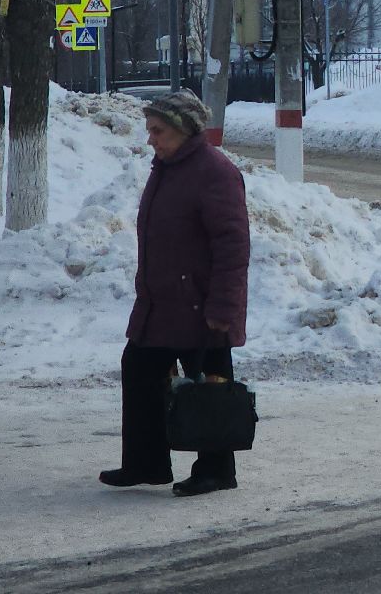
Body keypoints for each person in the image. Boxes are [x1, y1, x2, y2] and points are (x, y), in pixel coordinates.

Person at [99, 90, 250, 498]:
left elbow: (232, 245)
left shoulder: (214, 172)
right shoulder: (167, 167)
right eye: (150, 130)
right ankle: (146, 463)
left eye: (158, 131)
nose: (151, 139)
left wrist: (222, 307)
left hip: (201, 306)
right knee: (139, 370)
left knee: (210, 386)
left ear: (183, 131)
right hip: (162, 302)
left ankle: (217, 469)